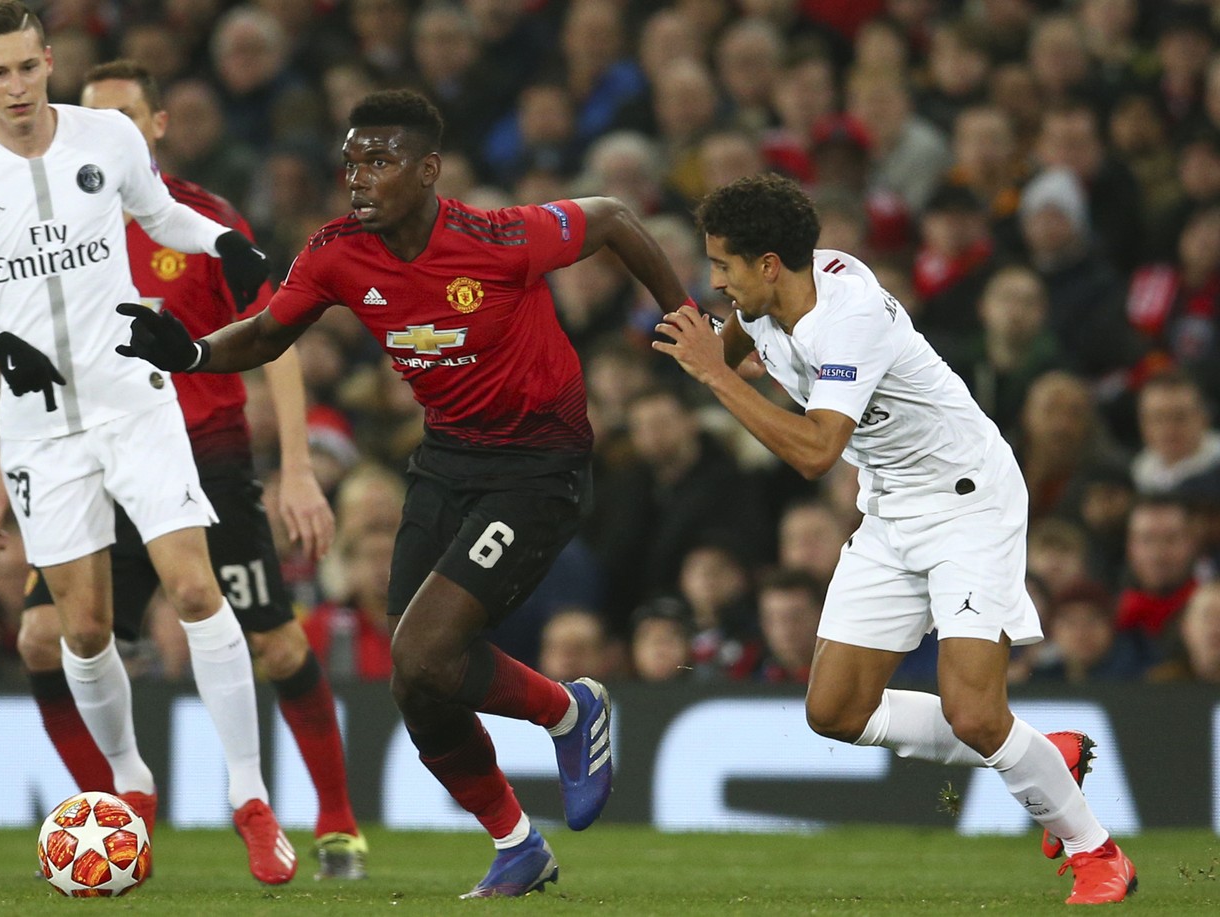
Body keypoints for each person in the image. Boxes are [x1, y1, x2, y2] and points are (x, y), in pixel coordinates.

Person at [117, 89, 691, 898]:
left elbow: (615, 216)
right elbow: (270, 330)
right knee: (414, 678)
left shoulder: (499, 237)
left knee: (426, 649)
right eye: (351, 159)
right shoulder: (338, 250)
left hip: (538, 464)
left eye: (380, 160)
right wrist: (191, 351)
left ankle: (567, 712)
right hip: (447, 459)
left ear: (428, 171)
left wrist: (685, 316)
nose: (359, 175)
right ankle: (519, 838)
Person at [652, 174, 1136, 905]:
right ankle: (1041, 755)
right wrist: (712, 348)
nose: (714, 280)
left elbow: (817, 452)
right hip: (891, 509)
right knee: (836, 710)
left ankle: (1095, 850)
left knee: (975, 712)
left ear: (771, 264)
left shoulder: (847, 317)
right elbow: (741, 342)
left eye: (723, 266)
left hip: (967, 501)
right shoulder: (773, 297)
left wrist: (716, 376)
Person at [0, 1, 292, 884]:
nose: (14, 86)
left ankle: (250, 798)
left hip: (133, 399)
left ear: (49, 61)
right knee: (82, 627)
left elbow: (162, 217)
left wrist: (228, 242)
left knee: (196, 588)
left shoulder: (106, 140)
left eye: (26, 68)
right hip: (40, 424)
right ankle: (129, 781)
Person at [0, 58, 365, 882]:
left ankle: (334, 821)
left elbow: (276, 337)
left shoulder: (201, 219)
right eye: (89, 115)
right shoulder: (52, 221)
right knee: (46, 635)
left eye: (122, 116)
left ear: (153, 127)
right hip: (83, 452)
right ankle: (112, 815)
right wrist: (10, 465)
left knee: (278, 641)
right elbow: (31, 356)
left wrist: (295, 467)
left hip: (204, 454)